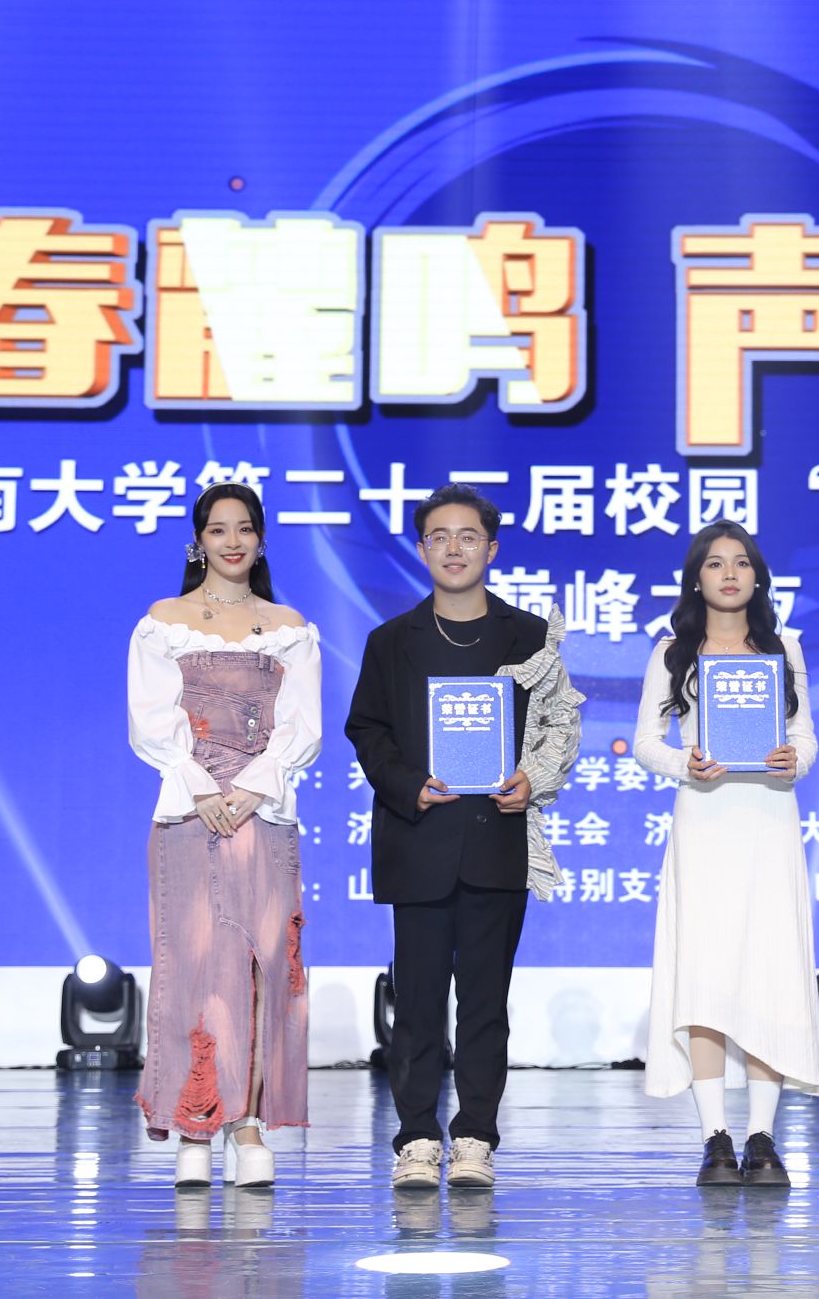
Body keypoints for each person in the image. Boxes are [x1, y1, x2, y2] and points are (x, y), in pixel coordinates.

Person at [345, 483, 582, 1190]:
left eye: (468, 536)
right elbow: (367, 729)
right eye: (440, 536)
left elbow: (559, 722)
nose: (454, 548)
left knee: (484, 1002)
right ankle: (417, 1139)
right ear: (422, 550)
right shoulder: (391, 641)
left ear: (492, 548)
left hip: (496, 838)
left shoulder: (528, 637)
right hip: (418, 836)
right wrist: (407, 783)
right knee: (417, 1005)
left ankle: (475, 1136)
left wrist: (534, 777)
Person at [126, 482, 322, 1189]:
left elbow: (302, 726)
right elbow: (150, 720)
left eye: (244, 529)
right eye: (218, 529)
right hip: (187, 812)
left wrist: (250, 789)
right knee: (190, 964)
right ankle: (193, 1125)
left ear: (261, 540)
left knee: (262, 964)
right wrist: (203, 789)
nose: (232, 541)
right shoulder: (164, 622)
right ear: (198, 541)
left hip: (263, 815)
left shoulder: (289, 628)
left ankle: (247, 1125)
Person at [634, 521, 819, 1188]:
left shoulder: (784, 648)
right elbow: (646, 741)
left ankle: (762, 1137)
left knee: (770, 972)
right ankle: (715, 1137)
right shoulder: (672, 653)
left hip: (769, 819)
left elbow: (806, 736)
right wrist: (684, 762)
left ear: (757, 576)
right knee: (706, 975)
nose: (729, 574)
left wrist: (793, 759)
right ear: (697, 577)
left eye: (741, 562)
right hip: (705, 821)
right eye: (715, 563)